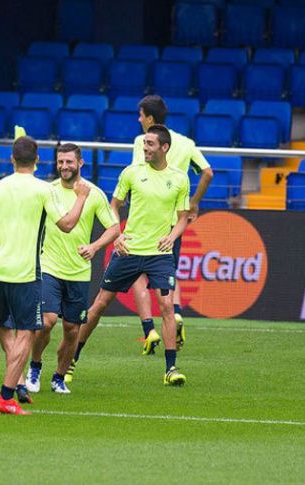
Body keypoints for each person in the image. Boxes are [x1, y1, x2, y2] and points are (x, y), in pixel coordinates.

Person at [0, 136, 90, 414]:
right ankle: (5, 397)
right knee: (25, 333)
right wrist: (81, 197)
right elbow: (67, 225)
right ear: (37, 160)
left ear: (12, 159)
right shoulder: (43, 190)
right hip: (26, 274)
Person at [70, 125, 191, 386]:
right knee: (100, 304)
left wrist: (172, 236)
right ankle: (71, 359)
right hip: (129, 250)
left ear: (164, 148)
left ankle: (171, 369)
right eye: (144, 143)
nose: (145, 148)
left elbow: (183, 218)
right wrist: (117, 235)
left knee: (167, 307)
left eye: (150, 144)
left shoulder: (180, 178)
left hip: (160, 254)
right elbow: (113, 206)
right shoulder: (131, 173)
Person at [23, 143, 120, 395]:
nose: (64, 166)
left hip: (78, 272)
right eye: (60, 162)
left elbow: (114, 228)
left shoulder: (94, 194)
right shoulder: (48, 191)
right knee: (46, 322)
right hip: (49, 267)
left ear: (80, 163)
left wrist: (95, 247)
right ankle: (35, 367)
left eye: (69, 162)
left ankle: (59, 377)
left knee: (72, 330)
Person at [128, 95, 213, 355]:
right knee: (168, 273)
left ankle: (149, 330)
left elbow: (135, 174)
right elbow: (208, 172)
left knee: (137, 276)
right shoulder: (186, 143)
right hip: (172, 223)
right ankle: (175, 314)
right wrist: (193, 204)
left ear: (150, 118)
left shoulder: (142, 142)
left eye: (141, 115)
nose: (139, 119)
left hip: (143, 220)